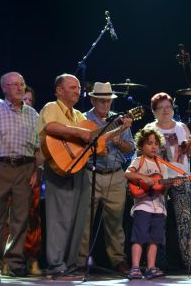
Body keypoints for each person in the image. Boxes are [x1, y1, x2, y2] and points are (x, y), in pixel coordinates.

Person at [0, 72, 39, 278]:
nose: (20, 88)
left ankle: (14, 263)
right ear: (4, 88)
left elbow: (38, 148)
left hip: (25, 168)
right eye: (15, 85)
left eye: (22, 84)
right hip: (0, 167)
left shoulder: (33, 114)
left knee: (20, 219)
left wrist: (36, 170)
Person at [38, 73, 92, 279]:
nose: (78, 91)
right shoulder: (51, 107)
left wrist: (117, 129)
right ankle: (55, 264)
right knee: (59, 218)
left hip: (79, 168)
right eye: (73, 87)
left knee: (78, 218)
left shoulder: (79, 115)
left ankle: (69, 263)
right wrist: (78, 133)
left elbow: (91, 137)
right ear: (59, 90)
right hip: (58, 167)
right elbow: (50, 127)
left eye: (78, 88)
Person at [78, 82, 134, 276]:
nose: (106, 104)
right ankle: (80, 261)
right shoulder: (83, 119)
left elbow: (130, 149)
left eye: (108, 101)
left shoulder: (120, 119)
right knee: (85, 220)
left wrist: (119, 141)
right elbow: (79, 147)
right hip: (90, 173)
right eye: (102, 101)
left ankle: (118, 260)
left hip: (115, 174)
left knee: (115, 222)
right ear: (93, 100)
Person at [145, 92, 191, 270]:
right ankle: (158, 263)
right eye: (161, 108)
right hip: (158, 180)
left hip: (180, 178)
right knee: (158, 220)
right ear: (154, 111)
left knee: (185, 219)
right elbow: (141, 155)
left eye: (168, 107)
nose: (166, 110)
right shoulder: (150, 128)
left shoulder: (182, 127)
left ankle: (189, 263)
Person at [124, 128, 169, 280]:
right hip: (142, 206)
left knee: (154, 239)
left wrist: (170, 184)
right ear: (141, 146)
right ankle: (135, 267)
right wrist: (144, 178)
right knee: (139, 237)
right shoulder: (139, 161)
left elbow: (163, 187)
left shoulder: (162, 165)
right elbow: (128, 174)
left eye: (156, 143)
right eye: (149, 143)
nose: (153, 146)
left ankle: (151, 267)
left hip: (159, 207)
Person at [22, 85, 43, 276]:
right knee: (10, 217)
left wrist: (37, 171)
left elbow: (39, 150)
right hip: (12, 171)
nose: (27, 103)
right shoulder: (8, 116)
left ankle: (33, 259)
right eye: (24, 99)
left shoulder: (35, 118)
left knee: (33, 217)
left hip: (32, 171)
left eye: (30, 100)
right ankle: (8, 260)